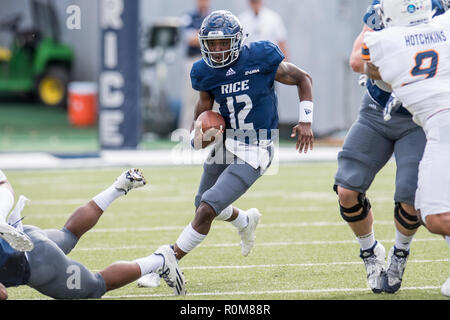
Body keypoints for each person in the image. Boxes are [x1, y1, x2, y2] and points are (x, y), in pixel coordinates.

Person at [140, 10, 314, 295]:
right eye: (213, 44)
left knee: (208, 208)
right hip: (227, 142)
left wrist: (306, 120)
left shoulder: (261, 56)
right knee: (202, 205)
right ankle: (245, 221)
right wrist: (199, 133)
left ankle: (165, 261)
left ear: (237, 40)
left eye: (224, 43)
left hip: (256, 147)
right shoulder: (203, 71)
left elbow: (303, 78)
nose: (218, 50)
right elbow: (204, 110)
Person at [333, 0, 448, 295]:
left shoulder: (439, 14)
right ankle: (370, 252)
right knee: (347, 190)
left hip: (418, 116)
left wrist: (393, 65)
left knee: (411, 198)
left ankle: (400, 253)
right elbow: (359, 60)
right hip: (376, 109)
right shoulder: (383, 11)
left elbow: (361, 59)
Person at [0, 168, 185, 299]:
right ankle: (118, 187)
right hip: (27, 234)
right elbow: (4, 184)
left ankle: (161, 260)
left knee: (96, 286)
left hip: (35, 263)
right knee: (68, 235)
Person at [178, 0, 212, 131]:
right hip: (193, 60)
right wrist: (208, 37)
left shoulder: (212, 17)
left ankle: (211, 130)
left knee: (213, 96)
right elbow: (191, 40)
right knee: (190, 97)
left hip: (210, 61)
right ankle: (186, 130)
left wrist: (201, 36)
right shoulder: (189, 17)